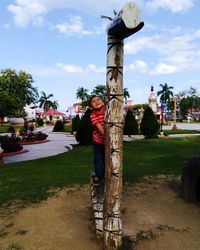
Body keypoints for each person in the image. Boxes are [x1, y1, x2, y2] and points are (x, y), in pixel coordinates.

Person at [89, 95, 105, 186]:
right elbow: (99, 128)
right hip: (98, 141)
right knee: (98, 160)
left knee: (107, 160)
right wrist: (107, 137)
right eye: (93, 101)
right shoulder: (93, 115)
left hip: (108, 142)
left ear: (102, 102)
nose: (97, 102)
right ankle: (98, 177)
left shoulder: (107, 111)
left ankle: (105, 175)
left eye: (98, 99)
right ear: (91, 106)